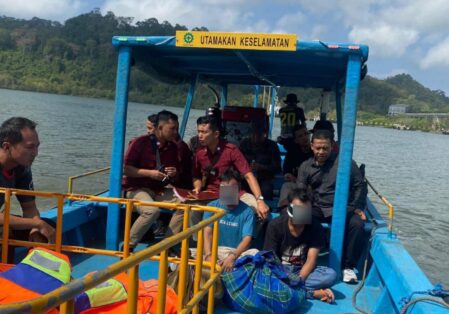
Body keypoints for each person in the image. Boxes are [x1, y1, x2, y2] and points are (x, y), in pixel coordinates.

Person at [296, 129, 366, 283]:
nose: (321, 152)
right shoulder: (305, 167)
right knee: (298, 215)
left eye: (325, 148)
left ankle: (348, 266)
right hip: (317, 206)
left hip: (342, 208)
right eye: (318, 148)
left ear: (332, 146)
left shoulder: (345, 163)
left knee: (357, 224)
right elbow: (300, 192)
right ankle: (299, 256)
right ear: (312, 146)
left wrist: (356, 207)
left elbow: (359, 185)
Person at [122, 110, 184, 251]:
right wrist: (150, 173)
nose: (175, 132)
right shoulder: (139, 143)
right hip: (136, 189)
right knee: (151, 211)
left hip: (159, 189)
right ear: (160, 128)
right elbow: (126, 169)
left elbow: (176, 176)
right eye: (172, 129)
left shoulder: (173, 147)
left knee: (185, 205)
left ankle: (167, 244)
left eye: (176, 128)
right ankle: (128, 246)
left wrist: (174, 173)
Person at [192, 115, 270, 221]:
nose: (200, 135)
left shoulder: (231, 150)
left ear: (216, 134)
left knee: (259, 210)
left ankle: (246, 236)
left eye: (204, 132)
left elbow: (248, 175)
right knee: (193, 211)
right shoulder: (199, 153)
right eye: (199, 131)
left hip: (232, 191)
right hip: (211, 193)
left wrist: (260, 200)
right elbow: (196, 176)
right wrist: (198, 187)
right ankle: (198, 238)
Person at [264, 188, 337, 293]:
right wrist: (282, 275)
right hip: (281, 269)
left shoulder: (316, 227)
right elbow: (271, 259)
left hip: (303, 270)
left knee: (330, 275)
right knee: (264, 270)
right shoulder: (275, 226)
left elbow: (311, 259)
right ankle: (308, 292)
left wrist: (299, 280)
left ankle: (287, 287)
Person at [0, 117, 56, 246]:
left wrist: (36, 228)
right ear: (7, 146)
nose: (36, 153)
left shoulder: (21, 168)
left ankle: (33, 266)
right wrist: (36, 223)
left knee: (48, 228)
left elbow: (29, 207)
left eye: (37, 147)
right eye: (30, 147)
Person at [201, 168, 258, 272]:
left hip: (236, 253)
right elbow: (207, 233)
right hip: (214, 251)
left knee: (255, 253)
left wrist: (232, 256)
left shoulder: (248, 211)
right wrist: (209, 255)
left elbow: (247, 239)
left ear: (238, 189)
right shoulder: (211, 206)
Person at [239, 120, 281, 200]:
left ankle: (266, 208)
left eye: (258, 135)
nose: (255, 137)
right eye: (253, 134)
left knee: (266, 189)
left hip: (264, 178)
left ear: (264, 134)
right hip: (246, 177)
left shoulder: (272, 146)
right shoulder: (244, 144)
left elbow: (277, 167)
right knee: (240, 187)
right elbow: (238, 162)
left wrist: (262, 167)